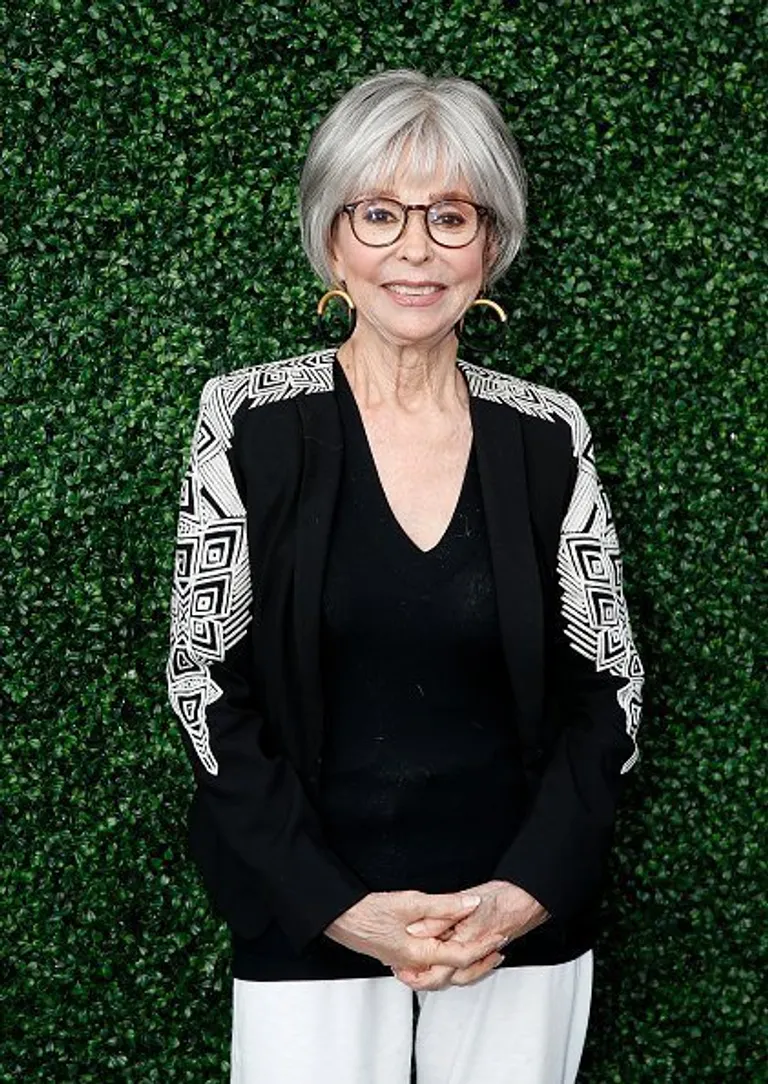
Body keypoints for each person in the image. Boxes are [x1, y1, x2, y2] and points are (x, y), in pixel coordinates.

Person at [166, 69, 644, 1084]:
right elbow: (204, 687)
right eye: (380, 214)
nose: (415, 249)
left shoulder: (547, 432)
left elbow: (612, 692)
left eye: (450, 216)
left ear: (492, 242)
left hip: (514, 931)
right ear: (333, 239)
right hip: (311, 923)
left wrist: (522, 893)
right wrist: (339, 907)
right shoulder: (245, 420)